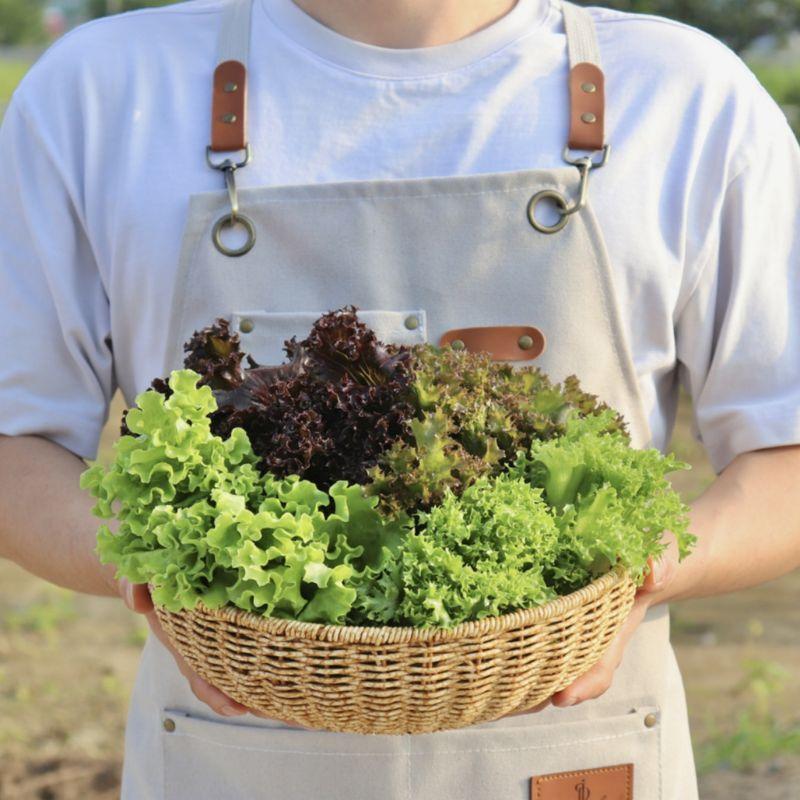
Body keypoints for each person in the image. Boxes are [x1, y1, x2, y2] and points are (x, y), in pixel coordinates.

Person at [0, 0, 798, 797]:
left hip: (571, 755)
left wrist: (647, 565)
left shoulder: (685, 96)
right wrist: (159, 569)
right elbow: (13, 447)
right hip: (232, 762)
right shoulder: (103, 94)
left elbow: (786, 454)